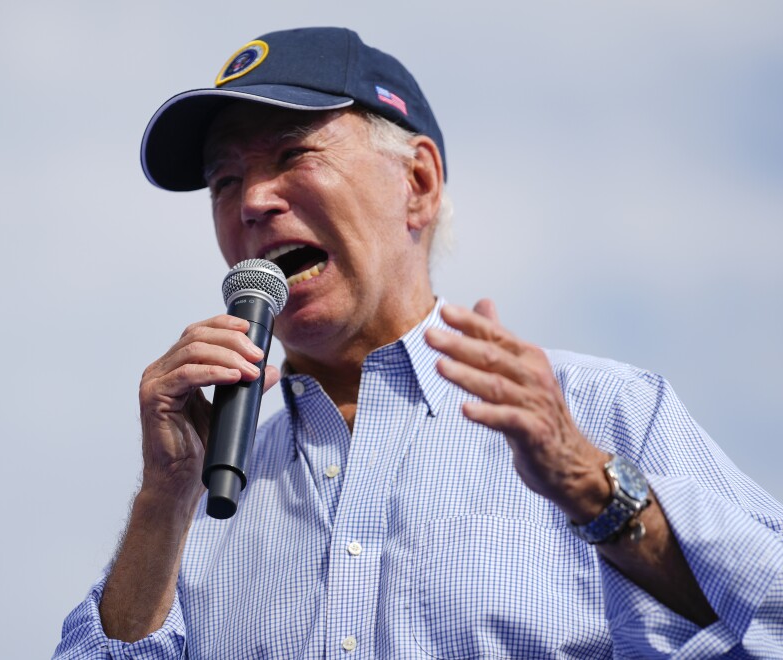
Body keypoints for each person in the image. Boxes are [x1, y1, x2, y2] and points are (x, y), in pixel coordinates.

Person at [54, 27, 783, 658]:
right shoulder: (201, 501)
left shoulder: (600, 413)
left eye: (293, 155)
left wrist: (594, 490)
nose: (252, 202)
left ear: (420, 183)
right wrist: (163, 497)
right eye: (224, 179)